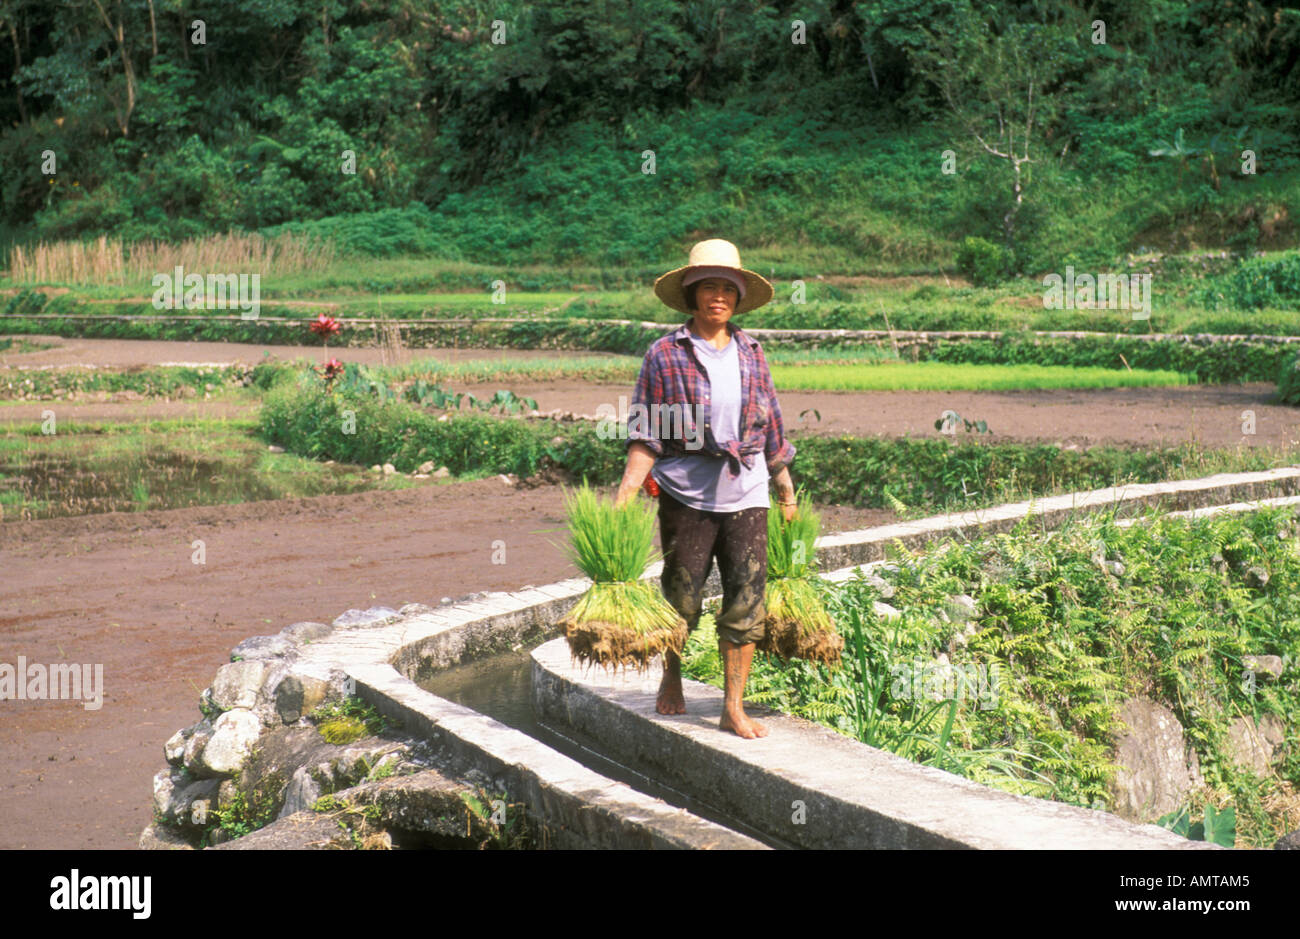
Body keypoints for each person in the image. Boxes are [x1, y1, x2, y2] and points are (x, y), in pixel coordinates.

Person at [613, 239, 798, 739]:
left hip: (748, 490)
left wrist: (785, 489)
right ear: (692, 295)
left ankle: (732, 706)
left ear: (738, 297)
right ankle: (671, 677)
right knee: (682, 597)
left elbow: (773, 428)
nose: (718, 296)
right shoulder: (665, 355)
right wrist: (626, 493)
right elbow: (645, 432)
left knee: (747, 596)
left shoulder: (753, 352)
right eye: (708, 287)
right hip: (686, 493)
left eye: (727, 288)